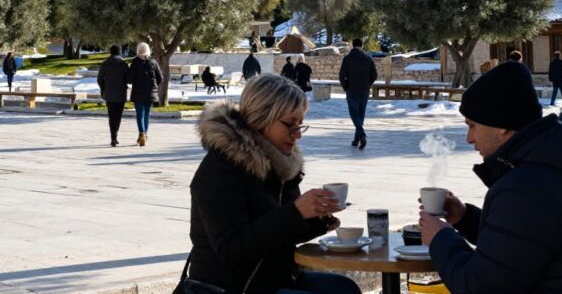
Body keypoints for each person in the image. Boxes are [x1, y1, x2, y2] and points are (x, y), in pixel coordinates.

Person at [418, 61, 562, 294]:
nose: (469, 138)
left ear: (502, 126)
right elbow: (524, 243)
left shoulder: (527, 189)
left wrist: (441, 237)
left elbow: (480, 287)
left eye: (473, 125)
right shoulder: (560, 163)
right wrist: (465, 218)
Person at [186, 74, 360, 294]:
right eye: (289, 124)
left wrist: (315, 219)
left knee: (344, 289)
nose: (297, 135)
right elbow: (232, 250)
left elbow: (278, 233)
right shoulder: (221, 169)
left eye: (300, 124)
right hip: (230, 287)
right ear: (261, 119)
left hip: (274, 278)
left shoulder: (280, 163)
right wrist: (295, 212)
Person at [338, 39, 378, 150]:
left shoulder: (347, 59)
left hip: (352, 89)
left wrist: (346, 87)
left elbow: (341, 76)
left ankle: (362, 134)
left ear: (352, 45)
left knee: (354, 113)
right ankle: (356, 139)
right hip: (364, 90)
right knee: (360, 114)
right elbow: (375, 75)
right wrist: (368, 84)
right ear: (362, 45)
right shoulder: (368, 58)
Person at [128, 42, 162, 147]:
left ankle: (141, 133)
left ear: (138, 51)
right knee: (147, 114)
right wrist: (154, 87)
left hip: (138, 93)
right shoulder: (153, 62)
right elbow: (160, 78)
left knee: (140, 115)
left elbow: (129, 78)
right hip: (150, 93)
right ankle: (145, 134)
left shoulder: (135, 62)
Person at [97, 45, 130, 146]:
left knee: (111, 116)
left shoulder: (105, 63)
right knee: (118, 116)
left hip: (109, 93)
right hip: (121, 93)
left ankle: (113, 137)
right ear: (119, 52)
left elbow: (99, 79)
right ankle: (115, 136)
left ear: (110, 52)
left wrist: (104, 88)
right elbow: (128, 79)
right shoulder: (124, 64)